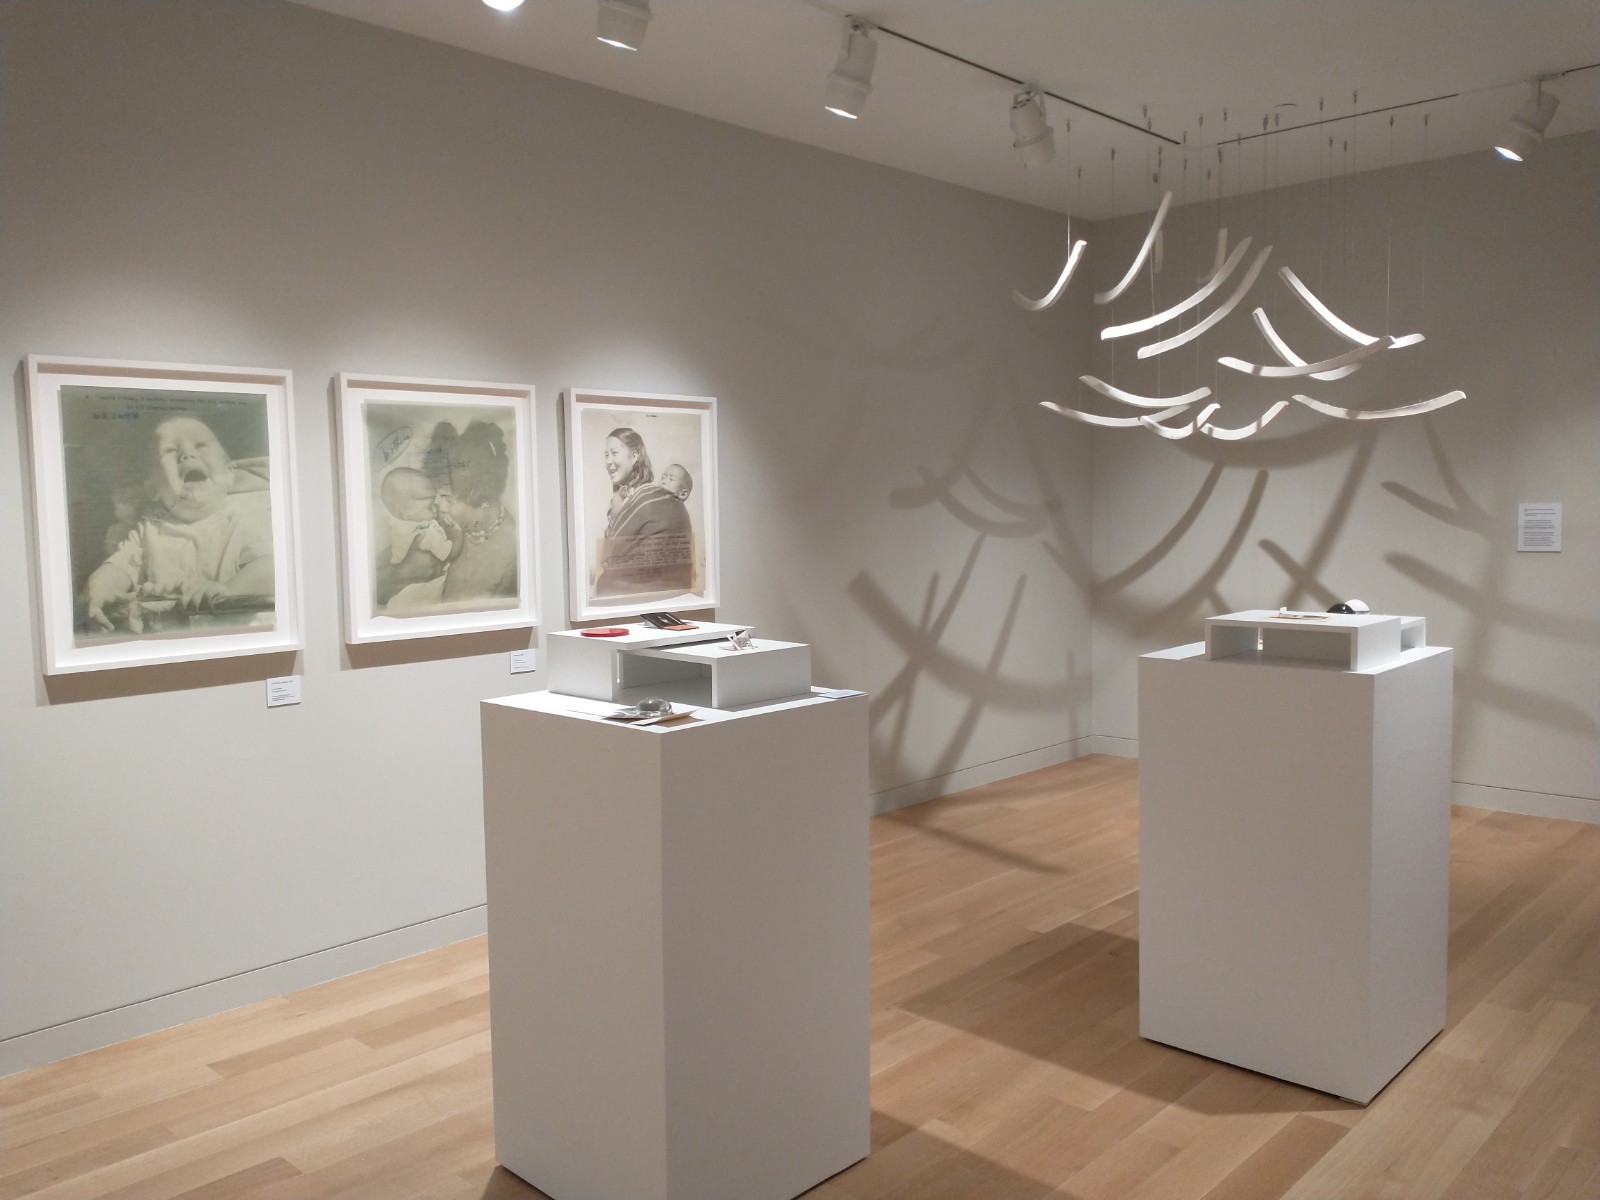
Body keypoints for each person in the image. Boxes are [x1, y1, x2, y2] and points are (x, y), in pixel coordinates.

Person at [82, 413, 273, 633]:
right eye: (170, 451)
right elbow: (118, 568)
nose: (187, 454)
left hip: (229, 639)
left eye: (200, 445)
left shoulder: (244, 520)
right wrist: (96, 590)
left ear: (229, 474)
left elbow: (270, 567)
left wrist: (229, 590)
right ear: (152, 489)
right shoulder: (148, 530)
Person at [594, 427, 694, 597]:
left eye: (614, 453)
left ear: (634, 456)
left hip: (640, 594)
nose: (608, 461)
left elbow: (608, 555)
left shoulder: (646, 497)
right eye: (606, 455)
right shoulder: (639, 496)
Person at [433, 420, 518, 604]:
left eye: (448, 499)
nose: (439, 506)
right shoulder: (449, 524)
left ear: (479, 498)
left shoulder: (513, 557)